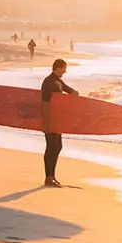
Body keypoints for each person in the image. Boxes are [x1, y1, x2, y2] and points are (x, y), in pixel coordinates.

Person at [40, 58, 78, 187]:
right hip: (49, 119)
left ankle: (52, 176)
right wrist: (46, 123)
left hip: (57, 120)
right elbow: (44, 103)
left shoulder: (58, 81)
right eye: (64, 68)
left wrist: (74, 93)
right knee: (51, 147)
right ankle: (48, 177)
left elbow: (68, 89)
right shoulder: (48, 82)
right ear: (58, 67)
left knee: (57, 146)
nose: (65, 71)